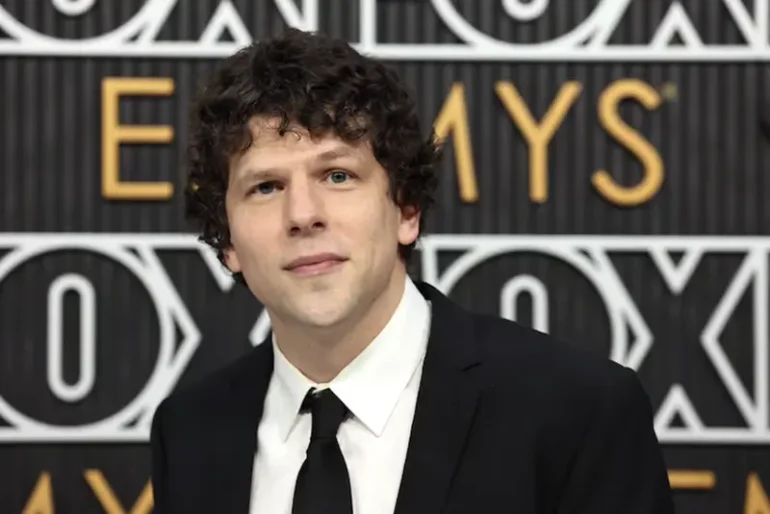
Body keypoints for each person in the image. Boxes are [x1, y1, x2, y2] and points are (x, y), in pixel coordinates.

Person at [149, 28, 675, 514]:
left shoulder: (578, 412)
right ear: (227, 243)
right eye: (265, 187)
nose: (303, 215)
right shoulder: (190, 433)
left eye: (337, 175)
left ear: (406, 210)